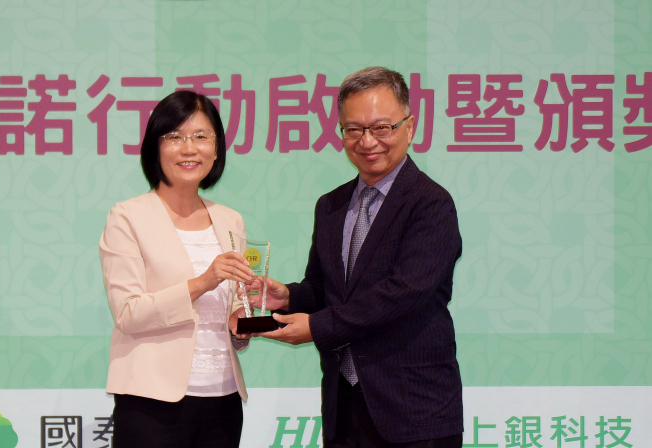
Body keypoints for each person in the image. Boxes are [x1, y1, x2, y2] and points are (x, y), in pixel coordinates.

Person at [250, 67, 464, 447]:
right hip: (345, 409)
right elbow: (324, 288)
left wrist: (317, 327)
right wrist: (287, 296)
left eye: (381, 127)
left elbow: (403, 293)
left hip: (415, 412)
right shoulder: (330, 206)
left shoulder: (431, 204)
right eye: (353, 129)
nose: (367, 141)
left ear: (410, 127)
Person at [99, 90, 254, 448]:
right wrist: (203, 281)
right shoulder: (127, 217)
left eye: (201, 137)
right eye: (174, 137)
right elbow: (128, 313)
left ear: (216, 149)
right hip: (152, 403)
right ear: (155, 148)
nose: (189, 149)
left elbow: (231, 310)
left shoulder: (230, 220)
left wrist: (243, 322)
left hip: (223, 401)